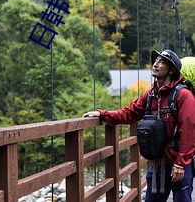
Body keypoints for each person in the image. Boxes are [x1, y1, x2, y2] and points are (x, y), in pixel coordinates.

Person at [82, 49, 195, 202]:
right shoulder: (150, 95)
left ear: (172, 70)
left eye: (161, 62)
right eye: (155, 61)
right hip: (158, 163)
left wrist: (181, 164)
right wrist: (102, 114)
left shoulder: (183, 95)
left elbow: (189, 130)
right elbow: (129, 113)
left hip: (178, 163)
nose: (155, 64)